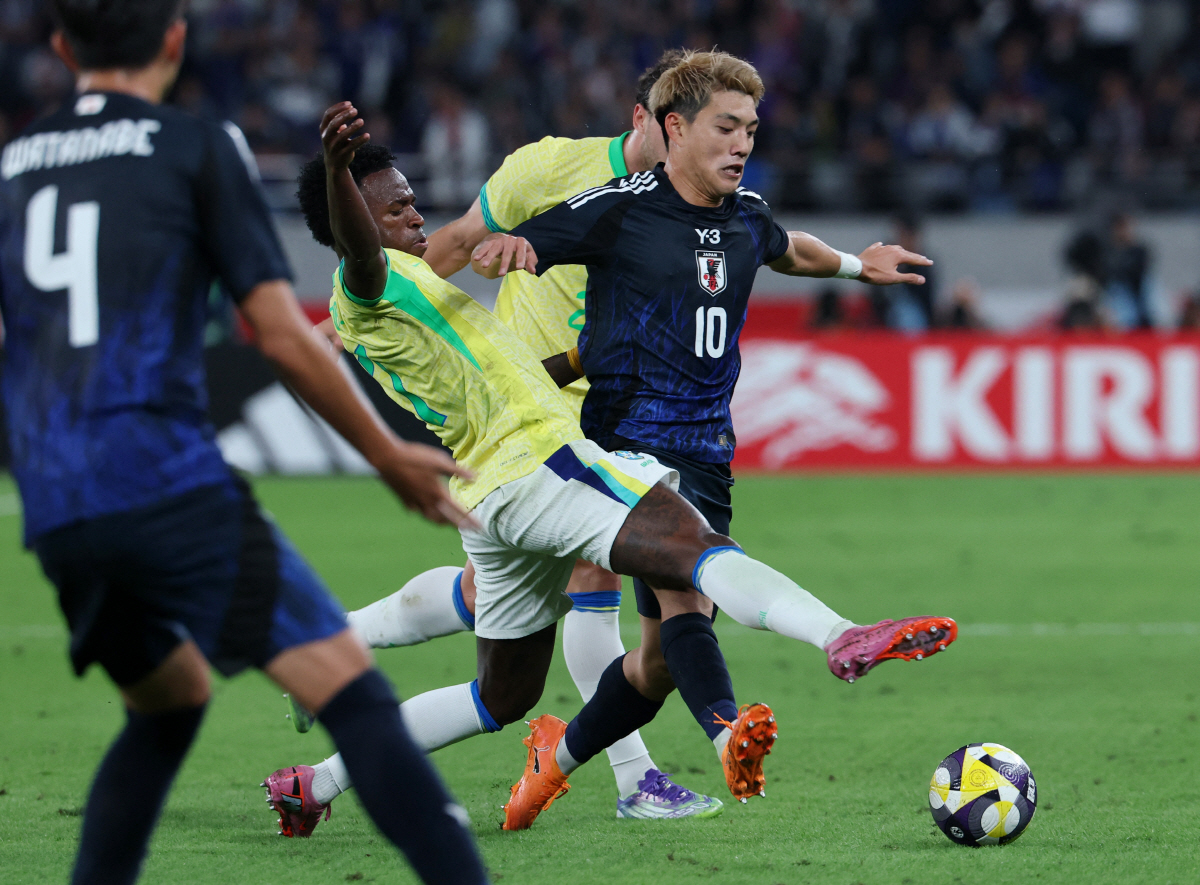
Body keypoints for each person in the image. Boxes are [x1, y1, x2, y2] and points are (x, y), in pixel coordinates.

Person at [268, 99, 956, 837]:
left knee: (501, 696)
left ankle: (315, 782)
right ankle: (838, 634)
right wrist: (340, 170)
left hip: (494, 491)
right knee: (692, 548)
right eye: (399, 209)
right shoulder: (369, 283)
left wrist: (576, 357)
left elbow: (492, 363)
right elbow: (361, 253)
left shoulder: (405, 291)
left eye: (412, 204)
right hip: (538, 462)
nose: (417, 220)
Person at [0, 4, 487, 883]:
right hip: (162, 478)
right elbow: (280, 331)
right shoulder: (194, 144)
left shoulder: (15, 164)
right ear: (177, 42)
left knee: (170, 702)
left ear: (63, 50)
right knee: (357, 701)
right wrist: (383, 454)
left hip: (54, 497)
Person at [470, 50, 953, 828]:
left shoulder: (746, 216)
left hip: (705, 452)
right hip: (624, 446)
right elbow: (534, 241)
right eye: (726, 127)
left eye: (751, 130)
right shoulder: (620, 206)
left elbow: (788, 248)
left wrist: (859, 267)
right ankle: (750, 708)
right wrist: (515, 247)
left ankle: (550, 761)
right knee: (689, 582)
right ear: (674, 129)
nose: (741, 143)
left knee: (658, 661)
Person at [302, 52, 722, 823]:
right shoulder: (547, 170)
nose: (703, 146)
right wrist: (358, 303)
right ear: (649, 121)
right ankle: (635, 777)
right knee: (642, 577)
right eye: (687, 128)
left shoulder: (705, 202)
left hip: (597, 411)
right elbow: (435, 246)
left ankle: (325, 655)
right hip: (531, 434)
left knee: (496, 633)